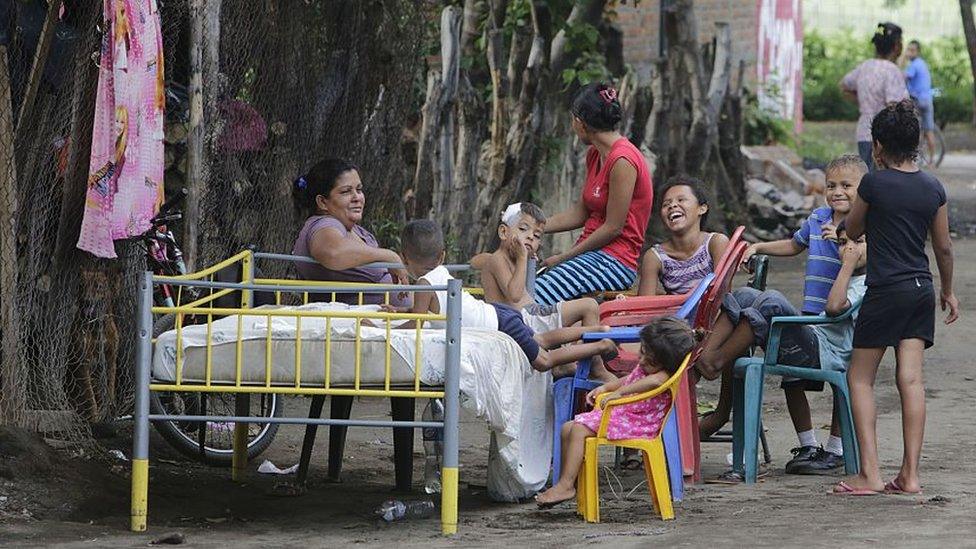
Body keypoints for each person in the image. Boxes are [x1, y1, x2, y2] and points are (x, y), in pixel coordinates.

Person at [833, 100, 958, 496]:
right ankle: (910, 476)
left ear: (878, 146)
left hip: (885, 290)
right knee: (911, 380)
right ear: (918, 142)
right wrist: (948, 290)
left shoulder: (873, 183)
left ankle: (869, 473)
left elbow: (852, 229)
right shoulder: (933, 187)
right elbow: (943, 248)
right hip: (920, 289)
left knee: (859, 377)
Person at [714, 154, 867, 446]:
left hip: (839, 322)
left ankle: (835, 448)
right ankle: (808, 444)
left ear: (864, 190)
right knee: (792, 381)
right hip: (808, 316)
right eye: (830, 185)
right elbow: (795, 244)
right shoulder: (818, 218)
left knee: (841, 384)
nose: (837, 192)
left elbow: (863, 261)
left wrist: (843, 239)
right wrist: (759, 245)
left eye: (847, 185)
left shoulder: (861, 228)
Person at [698, 222, 868, 480]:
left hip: (825, 356)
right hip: (813, 343)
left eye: (859, 242)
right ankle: (707, 356)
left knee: (773, 301)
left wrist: (846, 265)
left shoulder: (867, 283)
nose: (849, 249)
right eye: (843, 243)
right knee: (745, 294)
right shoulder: (852, 277)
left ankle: (716, 361)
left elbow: (834, 308)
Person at [396, 220, 618, 376]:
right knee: (543, 340)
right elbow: (432, 311)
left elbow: (416, 322)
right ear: (442, 255)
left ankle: (600, 345)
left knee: (546, 362)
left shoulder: (424, 284)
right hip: (501, 315)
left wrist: (385, 325)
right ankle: (598, 330)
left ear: (404, 259)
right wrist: (402, 312)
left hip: (502, 325)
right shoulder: (441, 272)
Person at [535, 316, 698, 509]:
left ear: (667, 363)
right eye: (643, 352)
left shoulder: (663, 375)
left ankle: (566, 485)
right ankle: (568, 483)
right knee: (567, 428)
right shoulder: (651, 366)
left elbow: (654, 382)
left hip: (639, 425)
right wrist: (606, 388)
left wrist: (619, 393)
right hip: (626, 418)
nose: (642, 360)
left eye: (649, 360)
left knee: (579, 429)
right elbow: (629, 379)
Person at [534, 82, 653, 305]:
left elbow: (613, 227)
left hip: (614, 261)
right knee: (526, 289)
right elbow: (581, 213)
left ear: (580, 123)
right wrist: (535, 225)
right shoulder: (595, 155)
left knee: (536, 296)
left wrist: (563, 257)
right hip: (589, 257)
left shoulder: (622, 160)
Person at [470, 202, 616, 382]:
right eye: (523, 229)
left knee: (585, 313)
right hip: (521, 321)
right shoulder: (497, 260)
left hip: (533, 314)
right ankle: (596, 367)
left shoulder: (512, 259)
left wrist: (522, 258)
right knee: (589, 306)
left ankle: (582, 362)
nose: (530, 237)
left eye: (536, 235)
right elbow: (514, 294)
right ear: (503, 232)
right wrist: (523, 258)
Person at [292, 158, 409, 307]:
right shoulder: (325, 223)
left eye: (359, 190)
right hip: (359, 326)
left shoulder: (352, 229)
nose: (357, 198)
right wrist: (389, 256)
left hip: (389, 324)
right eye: (346, 191)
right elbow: (332, 252)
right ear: (322, 202)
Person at [636, 174, 729, 297]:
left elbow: (723, 297)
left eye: (681, 200)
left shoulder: (716, 243)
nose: (672, 205)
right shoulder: (655, 256)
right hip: (678, 315)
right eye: (666, 204)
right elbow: (644, 304)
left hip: (714, 314)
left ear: (702, 209)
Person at [840, 22, 908, 171]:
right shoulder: (892, 71)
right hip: (885, 139)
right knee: (884, 186)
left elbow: (844, 85)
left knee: (869, 182)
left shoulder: (865, 66)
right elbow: (893, 106)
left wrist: (862, 102)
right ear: (897, 45)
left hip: (864, 133)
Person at [903, 40, 937, 164]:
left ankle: (914, 159)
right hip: (928, 100)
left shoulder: (913, 65)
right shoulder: (922, 63)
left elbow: (902, 78)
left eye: (912, 50)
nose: (909, 52)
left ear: (918, 52)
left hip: (917, 100)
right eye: (908, 49)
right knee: (929, 130)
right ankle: (932, 161)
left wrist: (902, 59)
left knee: (914, 129)